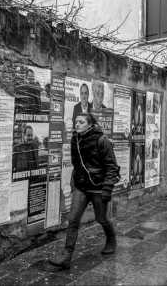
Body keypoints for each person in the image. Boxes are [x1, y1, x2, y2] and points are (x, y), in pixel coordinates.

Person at [49, 113, 120, 269]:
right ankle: (66, 256)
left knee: (102, 219)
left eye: (81, 122)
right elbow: (77, 164)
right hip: (82, 187)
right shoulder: (76, 139)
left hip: (99, 187)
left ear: (90, 124)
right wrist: (74, 182)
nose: (77, 124)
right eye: (76, 122)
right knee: (73, 219)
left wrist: (107, 188)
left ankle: (111, 239)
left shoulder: (102, 140)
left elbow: (112, 167)